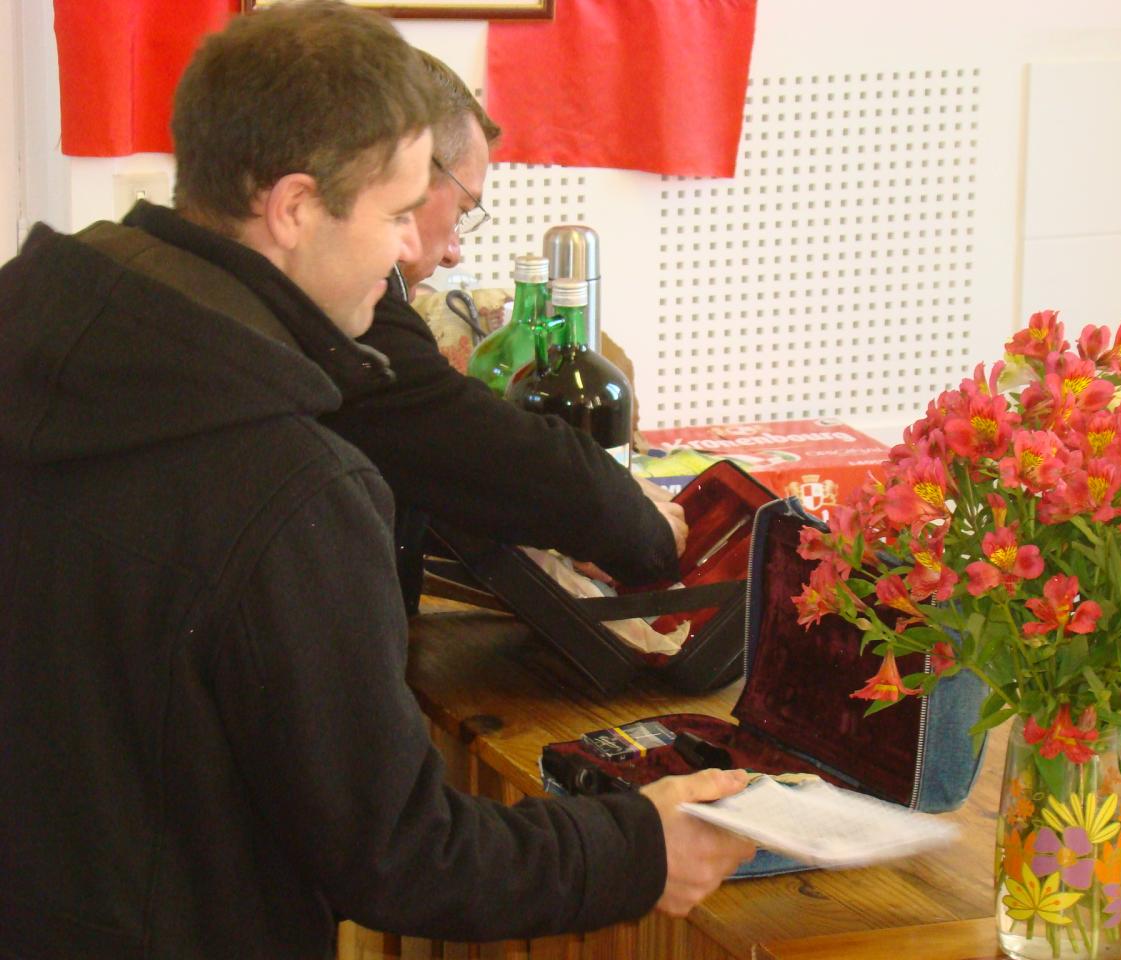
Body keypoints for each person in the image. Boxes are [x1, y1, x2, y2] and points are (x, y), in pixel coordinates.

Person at [0, 3, 754, 958]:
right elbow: (401, 853)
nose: (410, 250)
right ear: (294, 208)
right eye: (398, 214)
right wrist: (640, 849)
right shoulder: (292, 488)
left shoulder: (41, 331)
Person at [320, 51, 686, 613]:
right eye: (462, 210)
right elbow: (465, 439)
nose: (452, 254)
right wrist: (635, 526)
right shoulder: (345, 304)